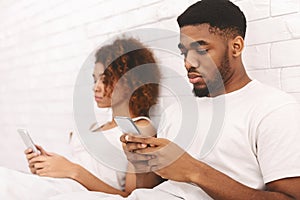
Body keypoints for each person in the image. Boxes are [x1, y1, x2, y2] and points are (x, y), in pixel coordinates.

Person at [119, 0, 300, 199]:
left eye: (201, 50)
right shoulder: (176, 111)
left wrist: (195, 171)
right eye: (184, 52)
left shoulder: (274, 110)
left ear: (236, 46)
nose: (188, 63)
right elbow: (150, 187)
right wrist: (139, 163)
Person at [0, 37, 161, 199]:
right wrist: (47, 165)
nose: (95, 87)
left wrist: (72, 170)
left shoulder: (140, 128)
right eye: (94, 79)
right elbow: (78, 167)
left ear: (130, 81)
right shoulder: (96, 128)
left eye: (104, 79)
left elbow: (132, 196)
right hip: (61, 187)